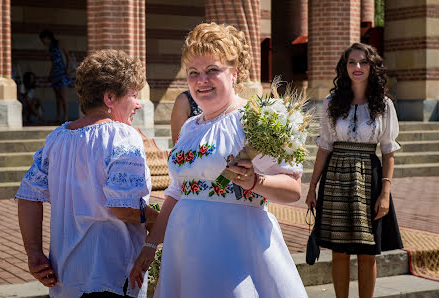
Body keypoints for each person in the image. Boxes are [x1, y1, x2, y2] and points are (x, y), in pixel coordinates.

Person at [129, 22, 308, 298]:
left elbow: (293, 188)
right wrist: (151, 245)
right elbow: (177, 192)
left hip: (236, 249)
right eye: (193, 73)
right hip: (185, 248)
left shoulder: (255, 120)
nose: (202, 80)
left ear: (234, 73)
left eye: (212, 70)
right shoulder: (190, 128)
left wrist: (256, 181)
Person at [16, 49, 158, 298]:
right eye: (134, 95)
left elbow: (28, 195)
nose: (138, 104)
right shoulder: (122, 136)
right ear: (110, 98)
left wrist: (34, 252)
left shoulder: (57, 138)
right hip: (111, 274)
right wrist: (159, 219)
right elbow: (123, 208)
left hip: (67, 276)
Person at [305, 43, 403, 298]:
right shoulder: (331, 102)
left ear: (372, 67)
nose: (357, 67)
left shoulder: (383, 104)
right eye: (351, 62)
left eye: (363, 62)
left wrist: (385, 193)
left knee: (367, 251)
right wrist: (312, 186)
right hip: (336, 177)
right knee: (339, 250)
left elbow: (388, 151)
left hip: (368, 178)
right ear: (344, 67)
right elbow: (324, 146)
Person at [39, 30, 72, 123]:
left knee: (63, 96)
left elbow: (68, 56)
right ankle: (58, 116)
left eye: (43, 39)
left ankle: (65, 116)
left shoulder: (59, 43)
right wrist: (50, 73)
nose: (43, 42)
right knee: (57, 97)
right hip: (55, 73)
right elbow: (53, 62)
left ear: (47, 38)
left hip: (63, 72)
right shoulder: (50, 47)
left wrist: (68, 69)